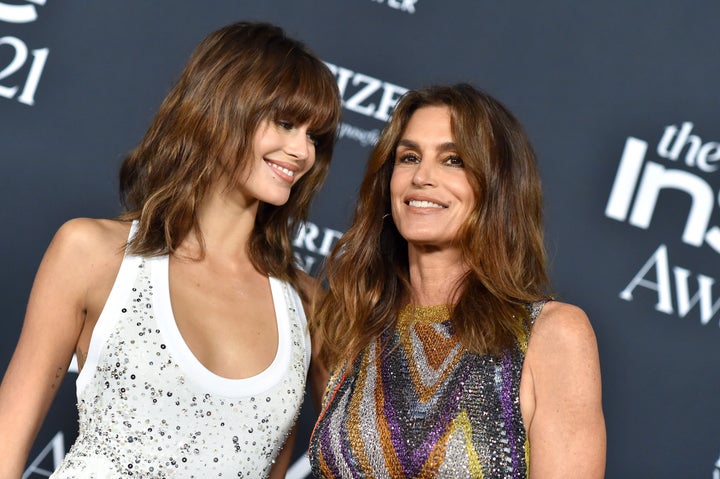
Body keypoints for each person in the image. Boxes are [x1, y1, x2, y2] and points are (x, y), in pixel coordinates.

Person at [0, 21, 341, 478]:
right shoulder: (93, 252)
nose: (301, 150)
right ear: (220, 107)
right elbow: (7, 442)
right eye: (285, 123)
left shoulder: (305, 304)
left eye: (314, 137)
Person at [308, 84, 605, 478]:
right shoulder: (351, 324)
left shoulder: (552, 335)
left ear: (496, 187)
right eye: (409, 157)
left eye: (453, 160)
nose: (422, 177)